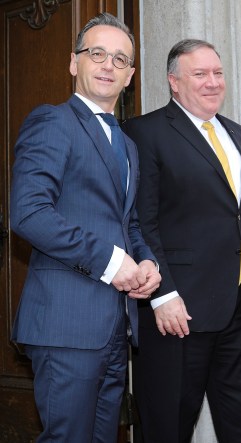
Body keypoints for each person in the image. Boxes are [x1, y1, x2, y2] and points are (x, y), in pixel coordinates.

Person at [9, 13, 161, 442]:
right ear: (74, 63)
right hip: (66, 324)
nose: (108, 65)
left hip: (115, 327)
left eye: (120, 59)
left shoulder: (127, 144)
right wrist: (113, 263)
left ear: (130, 75)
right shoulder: (52, 121)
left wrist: (146, 262)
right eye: (97, 53)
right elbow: (29, 213)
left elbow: (128, 222)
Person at [123, 39, 241, 442]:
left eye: (218, 73)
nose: (213, 82)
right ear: (174, 82)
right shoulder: (144, 132)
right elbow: (142, 221)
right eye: (200, 74)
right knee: (168, 428)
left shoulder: (238, 134)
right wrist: (163, 296)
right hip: (177, 314)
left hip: (239, 309)